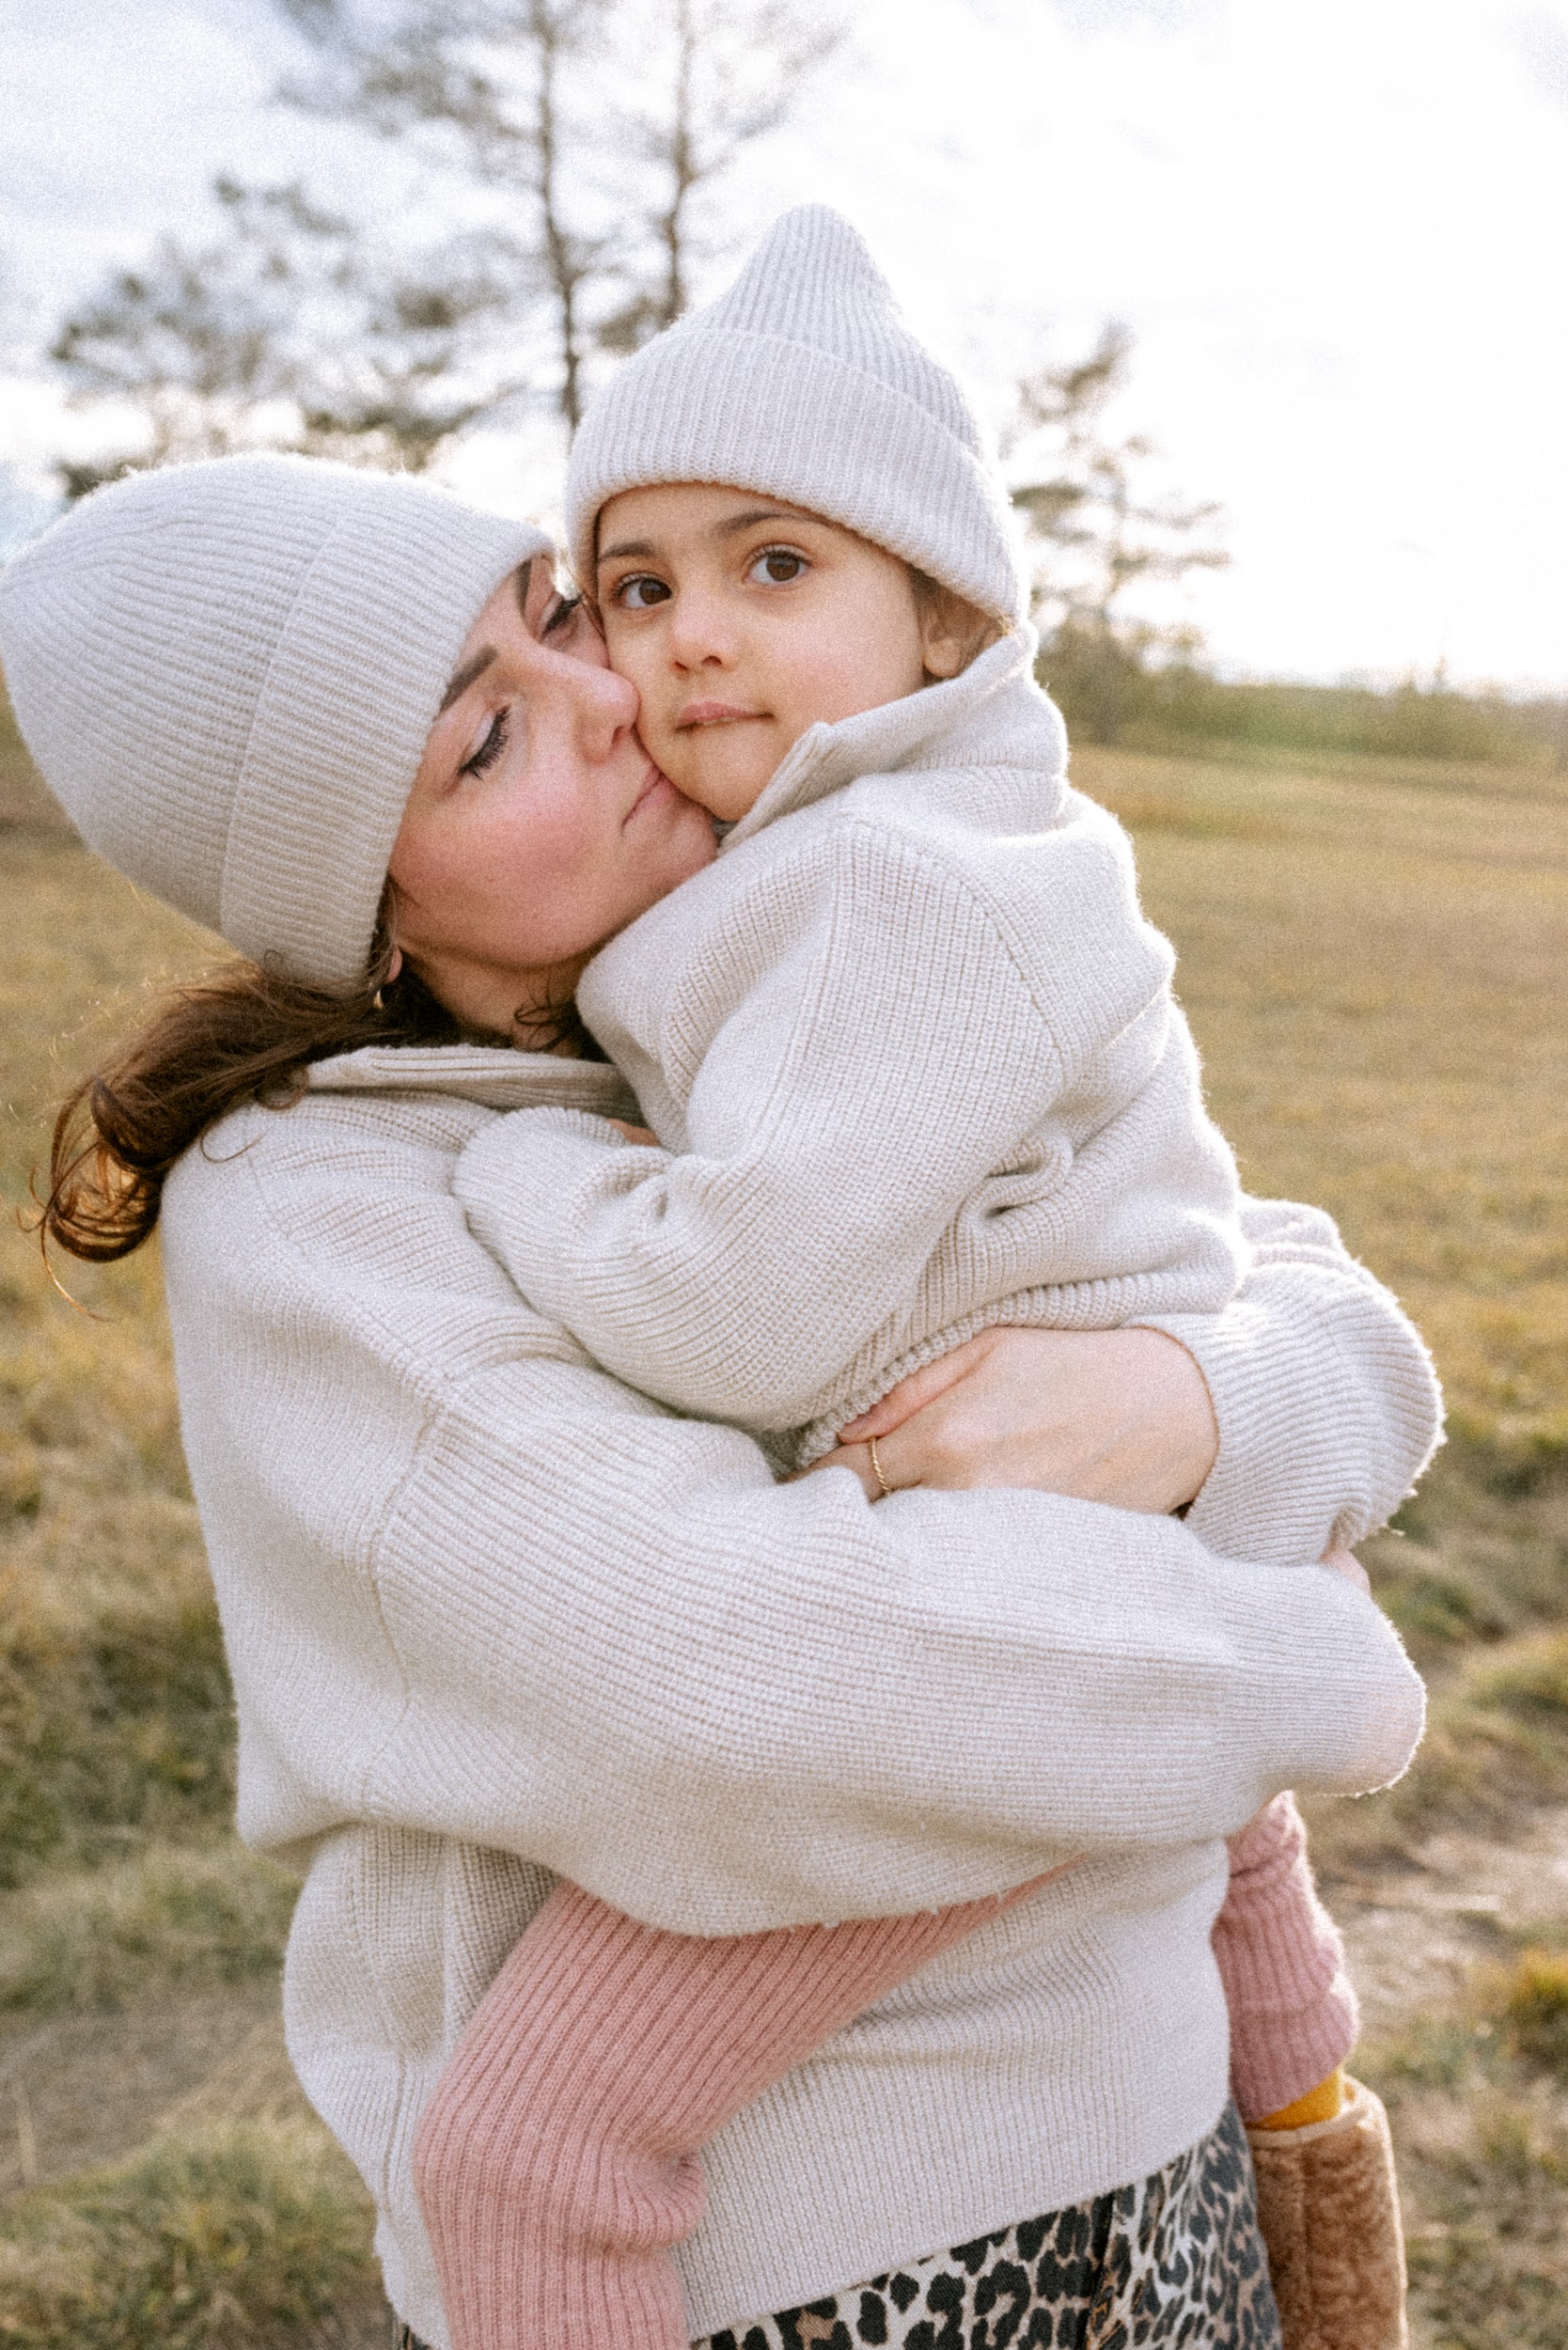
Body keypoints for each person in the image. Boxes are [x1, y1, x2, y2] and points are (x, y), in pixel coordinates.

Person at [0, 450, 1434, 2350]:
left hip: (1170, 2182)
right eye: (488, 737)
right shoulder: (324, 1202)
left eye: (561, 608)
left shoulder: (770, 945)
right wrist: (1300, 1659)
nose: (619, 692)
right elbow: (747, 1691)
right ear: (359, 904)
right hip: (836, 2272)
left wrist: (1193, 1401)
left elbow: (1292, 1280)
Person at [416, 209, 1419, 2349]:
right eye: (639, 582)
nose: (690, 637)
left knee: (527, 2139)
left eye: (779, 566)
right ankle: (1327, 2218)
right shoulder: (931, 835)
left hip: (1000, 1625)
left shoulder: (885, 880)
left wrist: (529, 1184)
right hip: (1108, 1579)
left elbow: (744, 1311)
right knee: (1243, 1877)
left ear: (947, 607)